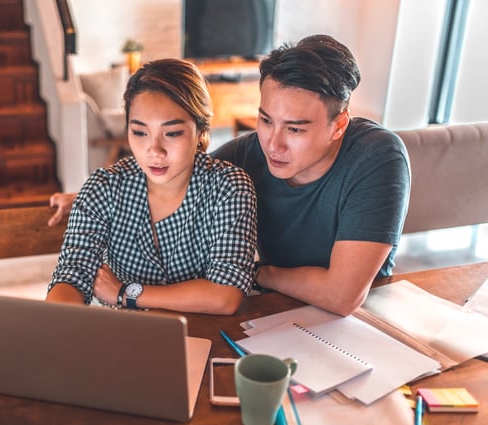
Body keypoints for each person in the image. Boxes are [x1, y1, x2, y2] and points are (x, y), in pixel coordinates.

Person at [47, 35, 410, 318]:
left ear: (338, 125)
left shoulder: (376, 156)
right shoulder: (247, 154)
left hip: (360, 322)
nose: (273, 144)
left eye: (295, 130)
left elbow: (342, 296)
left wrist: (254, 273)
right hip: (271, 314)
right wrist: (87, 197)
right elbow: (174, 174)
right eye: (265, 120)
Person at [46, 58, 258, 315]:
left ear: (201, 130)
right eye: (139, 132)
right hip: (128, 338)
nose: (154, 151)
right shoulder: (103, 188)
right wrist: (54, 326)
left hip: (207, 335)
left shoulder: (229, 188)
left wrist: (125, 293)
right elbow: (72, 275)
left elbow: (225, 295)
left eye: (172, 133)